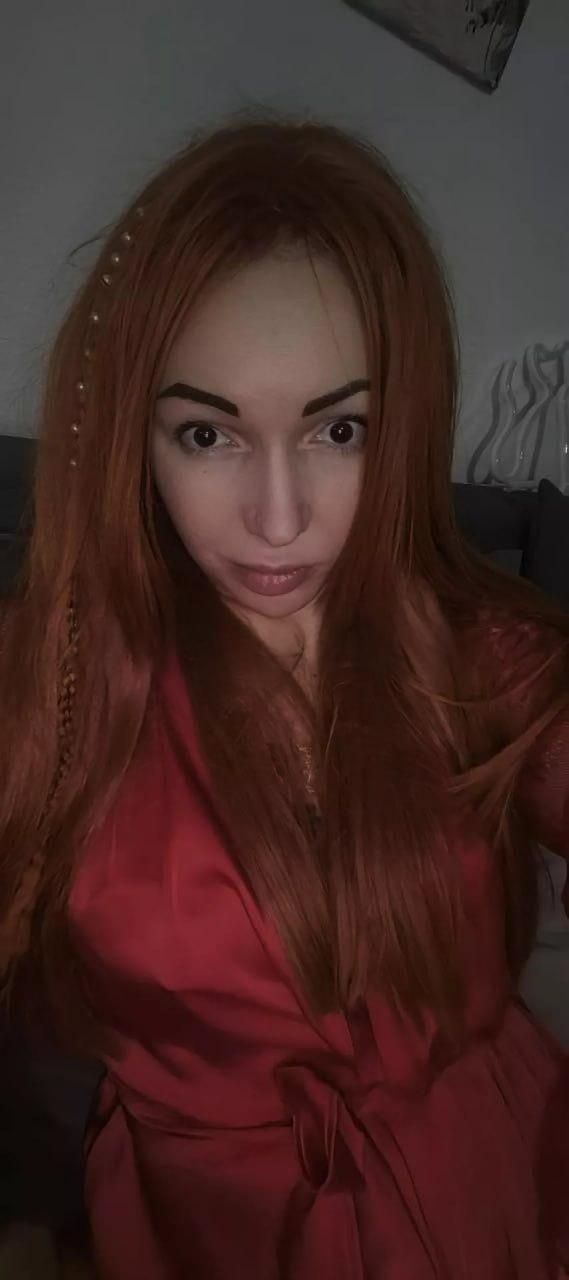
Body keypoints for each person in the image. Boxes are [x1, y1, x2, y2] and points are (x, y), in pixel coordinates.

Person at [0, 115, 568, 1280]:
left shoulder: (482, 652)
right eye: (207, 433)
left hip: (496, 1193)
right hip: (195, 1233)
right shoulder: (48, 676)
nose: (277, 518)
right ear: (135, 436)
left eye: (336, 429)